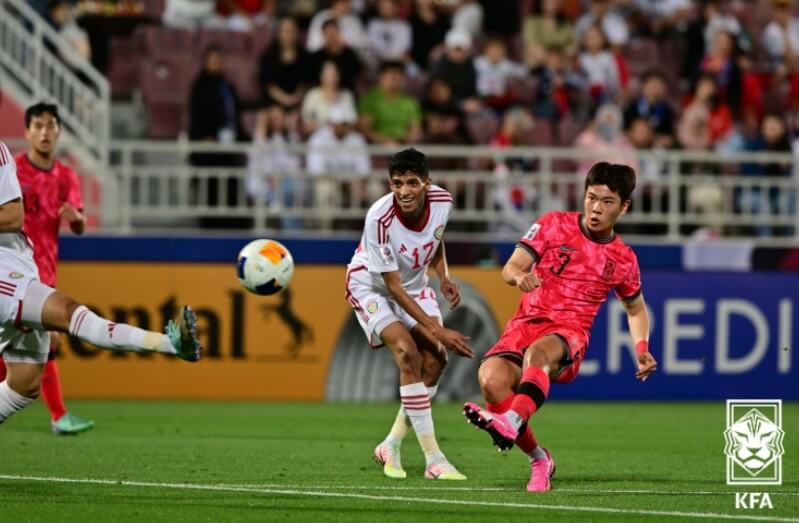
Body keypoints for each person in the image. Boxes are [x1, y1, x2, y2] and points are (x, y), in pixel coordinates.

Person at [462, 162, 657, 492]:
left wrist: (642, 348)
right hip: (525, 324)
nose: (596, 208)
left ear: (624, 207)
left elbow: (635, 309)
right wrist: (520, 277)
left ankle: (511, 421)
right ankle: (539, 459)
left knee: (537, 355)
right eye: (591, 197)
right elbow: (510, 268)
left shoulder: (623, 258)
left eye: (607, 201)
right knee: (491, 380)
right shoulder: (552, 224)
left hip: (569, 334)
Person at [0, 141, 202, 427]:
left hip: (20, 265)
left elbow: (13, 215)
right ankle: (170, 343)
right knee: (69, 313)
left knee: (24, 384)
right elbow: (14, 216)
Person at [345, 148, 473, 480]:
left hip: (414, 285)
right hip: (371, 286)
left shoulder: (443, 201)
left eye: (412, 182)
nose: (404, 191)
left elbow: (436, 238)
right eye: (397, 183)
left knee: (436, 360)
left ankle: (391, 444)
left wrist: (443, 276)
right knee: (407, 352)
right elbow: (393, 288)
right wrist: (438, 329)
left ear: (427, 183)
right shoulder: (379, 218)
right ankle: (434, 460)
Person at [0, 103, 93, 435]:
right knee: (36, 342)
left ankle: (56, 414)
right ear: (27, 132)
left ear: (59, 131)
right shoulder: (13, 169)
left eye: (50, 125)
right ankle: (58, 415)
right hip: (11, 267)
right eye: (38, 126)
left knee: (39, 345)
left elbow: (80, 223)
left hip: (44, 269)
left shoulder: (66, 177)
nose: (44, 132)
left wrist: (77, 220)